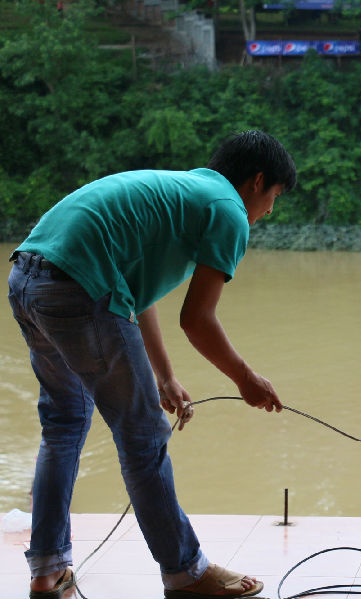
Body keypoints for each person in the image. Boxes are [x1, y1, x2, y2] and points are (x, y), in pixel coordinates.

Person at [8, 130, 297, 599]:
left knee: (63, 425)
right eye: (275, 197)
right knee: (143, 438)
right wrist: (246, 379)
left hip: (27, 278)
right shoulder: (228, 209)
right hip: (80, 283)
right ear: (257, 181)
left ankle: (46, 570)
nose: (269, 211)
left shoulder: (183, 192)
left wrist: (165, 376)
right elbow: (197, 320)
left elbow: (134, 298)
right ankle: (186, 572)